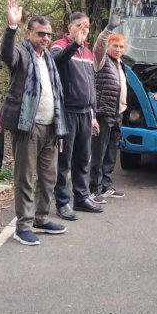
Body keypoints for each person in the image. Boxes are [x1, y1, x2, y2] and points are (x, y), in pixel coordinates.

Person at [0, 0, 68, 245]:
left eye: (49, 34)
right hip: (27, 126)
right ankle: (23, 225)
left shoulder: (48, 58)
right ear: (29, 34)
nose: (46, 39)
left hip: (51, 126)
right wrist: (11, 26)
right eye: (41, 34)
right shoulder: (22, 53)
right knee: (25, 178)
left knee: (48, 177)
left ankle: (40, 217)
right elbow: (6, 54)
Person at [51, 12, 103, 219]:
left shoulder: (88, 53)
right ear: (69, 27)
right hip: (68, 113)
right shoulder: (59, 45)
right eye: (80, 26)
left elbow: (91, 85)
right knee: (65, 160)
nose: (84, 30)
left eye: (87, 27)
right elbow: (55, 61)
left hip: (85, 114)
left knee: (83, 158)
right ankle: (62, 202)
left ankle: (81, 197)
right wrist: (73, 45)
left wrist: (93, 114)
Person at [89, 11, 128, 203]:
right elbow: (98, 46)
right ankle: (94, 189)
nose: (118, 49)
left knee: (112, 151)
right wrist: (109, 29)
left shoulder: (119, 64)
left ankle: (106, 186)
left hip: (117, 113)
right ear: (108, 47)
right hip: (103, 112)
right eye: (115, 46)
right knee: (99, 151)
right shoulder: (102, 60)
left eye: (121, 47)